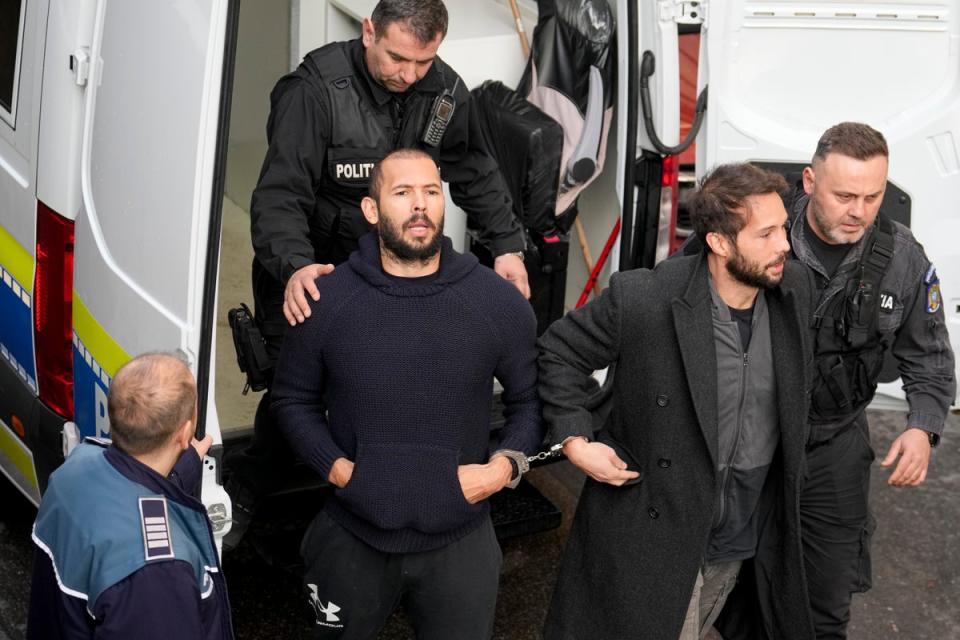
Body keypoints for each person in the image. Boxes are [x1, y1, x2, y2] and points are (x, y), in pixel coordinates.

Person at [225, 0, 530, 548]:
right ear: (369, 31)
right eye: (397, 59)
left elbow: (475, 169)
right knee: (295, 387)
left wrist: (507, 246)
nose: (409, 75)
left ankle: (369, 497)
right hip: (310, 265)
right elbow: (279, 198)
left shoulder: (442, 93)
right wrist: (295, 268)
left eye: (423, 62)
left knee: (384, 375)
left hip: (390, 269)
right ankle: (252, 482)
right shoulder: (315, 91)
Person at [270, 149, 541, 639]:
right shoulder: (326, 301)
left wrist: (502, 470)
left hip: (462, 538)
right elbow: (291, 400)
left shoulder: (494, 301)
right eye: (402, 193)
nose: (420, 205)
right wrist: (339, 469)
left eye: (431, 192)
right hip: (352, 534)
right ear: (372, 210)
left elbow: (529, 402)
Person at [540, 163, 816, 640]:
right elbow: (558, 351)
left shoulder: (794, 290)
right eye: (767, 234)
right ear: (720, 243)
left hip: (741, 535)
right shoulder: (646, 297)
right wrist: (575, 439)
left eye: (783, 229)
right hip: (660, 532)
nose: (785, 246)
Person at [784, 123, 956, 638]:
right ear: (810, 181)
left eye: (872, 196)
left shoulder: (903, 257)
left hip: (834, 442)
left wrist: (922, 428)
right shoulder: (761, 232)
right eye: (844, 196)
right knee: (732, 586)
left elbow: (930, 355)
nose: (858, 211)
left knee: (827, 601)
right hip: (751, 440)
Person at [27, 353, 233, 640]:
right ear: (186, 433)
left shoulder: (76, 468)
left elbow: (125, 496)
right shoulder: (159, 573)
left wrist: (177, 478)